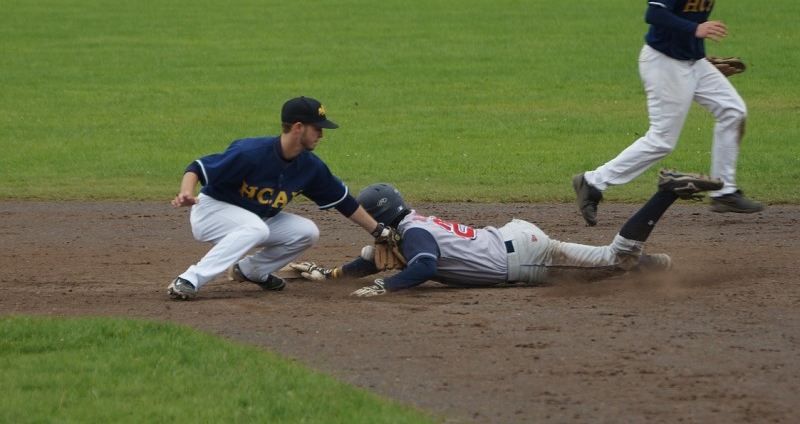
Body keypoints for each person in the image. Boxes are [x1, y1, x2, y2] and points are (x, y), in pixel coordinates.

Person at [572, 0, 762, 227]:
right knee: (662, 140)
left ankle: (724, 192)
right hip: (664, 63)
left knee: (733, 110)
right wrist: (695, 31)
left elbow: (689, 21)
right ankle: (592, 182)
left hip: (692, 62)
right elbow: (654, 13)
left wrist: (701, 56)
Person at [291, 170, 722, 297]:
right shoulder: (410, 226)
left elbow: (421, 266)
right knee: (607, 266)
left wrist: (384, 287)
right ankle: (649, 266)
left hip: (524, 258)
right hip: (515, 238)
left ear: (381, 215)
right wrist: (332, 275)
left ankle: (665, 193)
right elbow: (372, 259)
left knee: (614, 260)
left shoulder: (413, 236)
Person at [167, 96, 393, 300]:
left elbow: (344, 201)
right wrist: (186, 192)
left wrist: (379, 231)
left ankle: (252, 270)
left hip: (255, 219)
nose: (321, 134)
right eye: (317, 128)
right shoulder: (251, 152)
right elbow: (197, 167)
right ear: (298, 128)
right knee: (255, 229)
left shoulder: (310, 167)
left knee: (307, 231)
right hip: (212, 212)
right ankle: (189, 279)